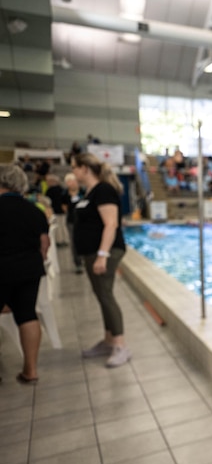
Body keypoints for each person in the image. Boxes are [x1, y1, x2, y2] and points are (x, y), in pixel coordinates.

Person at [71, 153, 132, 367]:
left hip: (106, 251)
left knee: (105, 294)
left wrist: (103, 255)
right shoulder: (89, 192)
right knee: (101, 294)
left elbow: (111, 224)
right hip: (92, 252)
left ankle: (120, 346)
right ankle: (108, 341)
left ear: (85, 168)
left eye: (75, 168)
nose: (73, 172)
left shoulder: (104, 190)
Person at [0, 164, 50, 383]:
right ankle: (31, 371)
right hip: (29, 269)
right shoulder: (34, 210)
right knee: (27, 314)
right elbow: (44, 245)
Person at [62, 172, 85, 273]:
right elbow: (64, 208)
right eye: (69, 182)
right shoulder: (64, 194)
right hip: (72, 220)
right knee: (74, 242)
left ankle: (85, 259)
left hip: (84, 220)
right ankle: (78, 263)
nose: (72, 183)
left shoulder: (83, 192)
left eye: (73, 181)